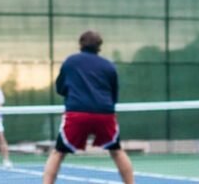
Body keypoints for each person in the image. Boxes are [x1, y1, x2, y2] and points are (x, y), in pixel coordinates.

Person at [43, 31, 134, 184]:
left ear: (81, 44)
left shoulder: (70, 62)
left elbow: (60, 88)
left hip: (77, 113)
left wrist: (73, 97)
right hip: (104, 114)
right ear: (99, 46)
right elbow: (113, 94)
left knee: (58, 153)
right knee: (117, 151)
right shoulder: (109, 66)